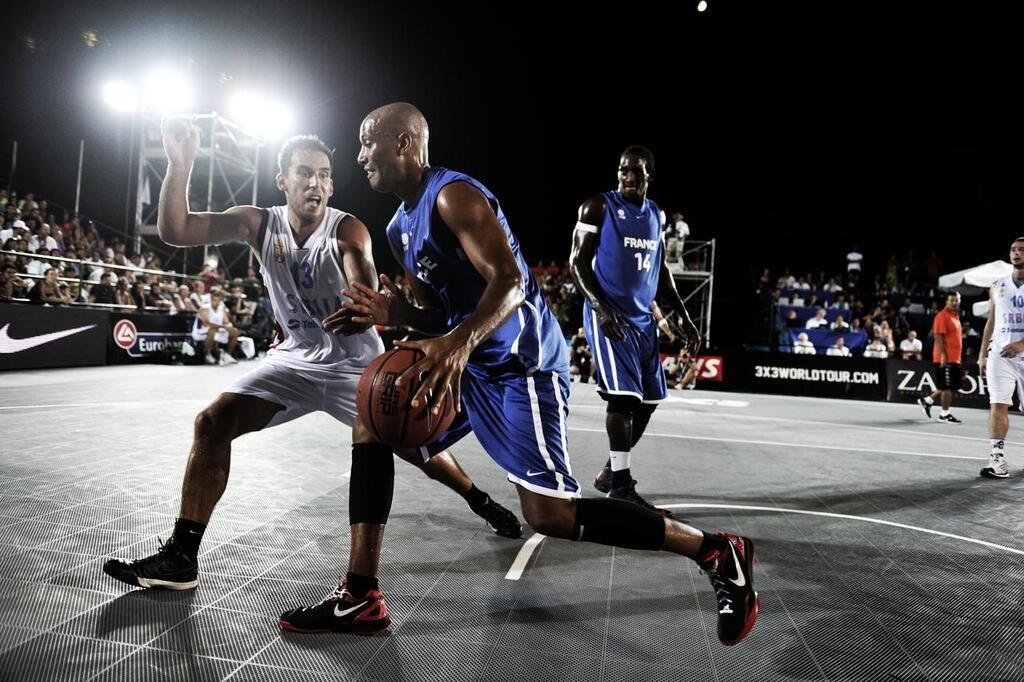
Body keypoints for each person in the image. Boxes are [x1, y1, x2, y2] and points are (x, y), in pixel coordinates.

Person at [286, 103, 759, 646]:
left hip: (519, 364)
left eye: (368, 141)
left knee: (550, 515)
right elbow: (440, 312)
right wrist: (399, 316)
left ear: (404, 143)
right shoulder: (398, 228)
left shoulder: (453, 195)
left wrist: (455, 344)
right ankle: (362, 596)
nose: (360, 153)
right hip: (468, 360)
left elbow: (509, 282)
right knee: (374, 411)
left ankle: (717, 551)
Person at [103, 123, 522, 599]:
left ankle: (479, 499)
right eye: (305, 173)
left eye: (324, 175)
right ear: (282, 180)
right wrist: (180, 166)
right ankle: (181, 557)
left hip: (356, 367)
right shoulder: (257, 222)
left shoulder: (347, 228)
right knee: (212, 422)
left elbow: (358, 260)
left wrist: (364, 294)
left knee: (419, 449)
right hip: (295, 362)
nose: (317, 184)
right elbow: (176, 231)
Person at [569, 145, 701, 515]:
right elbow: (576, 262)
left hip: (643, 320)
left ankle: (612, 473)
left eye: (635, 172)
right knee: (624, 398)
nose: (627, 177)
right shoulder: (597, 206)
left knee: (650, 400)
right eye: (623, 170)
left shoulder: (656, 215)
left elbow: (660, 271)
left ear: (649, 177)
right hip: (610, 315)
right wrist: (600, 305)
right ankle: (622, 487)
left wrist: (684, 316)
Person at [979, 238, 1024, 478]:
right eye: (1013, 250)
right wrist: (982, 354)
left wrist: (1021, 343)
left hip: (1023, 351)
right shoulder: (997, 285)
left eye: (1021, 250)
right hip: (1000, 353)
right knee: (997, 403)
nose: (1016, 253)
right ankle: (996, 460)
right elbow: (991, 322)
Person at [917, 292, 964, 424]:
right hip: (945, 358)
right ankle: (944, 414)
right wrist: (943, 355)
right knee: (947, 387)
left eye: (957, 300)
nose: (955, 302)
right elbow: (938, 337)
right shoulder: (942, 316)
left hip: (955, 358)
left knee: (950, 385)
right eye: (952, 300)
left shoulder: (955, 316)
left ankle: (927, 400)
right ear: (947, 302)